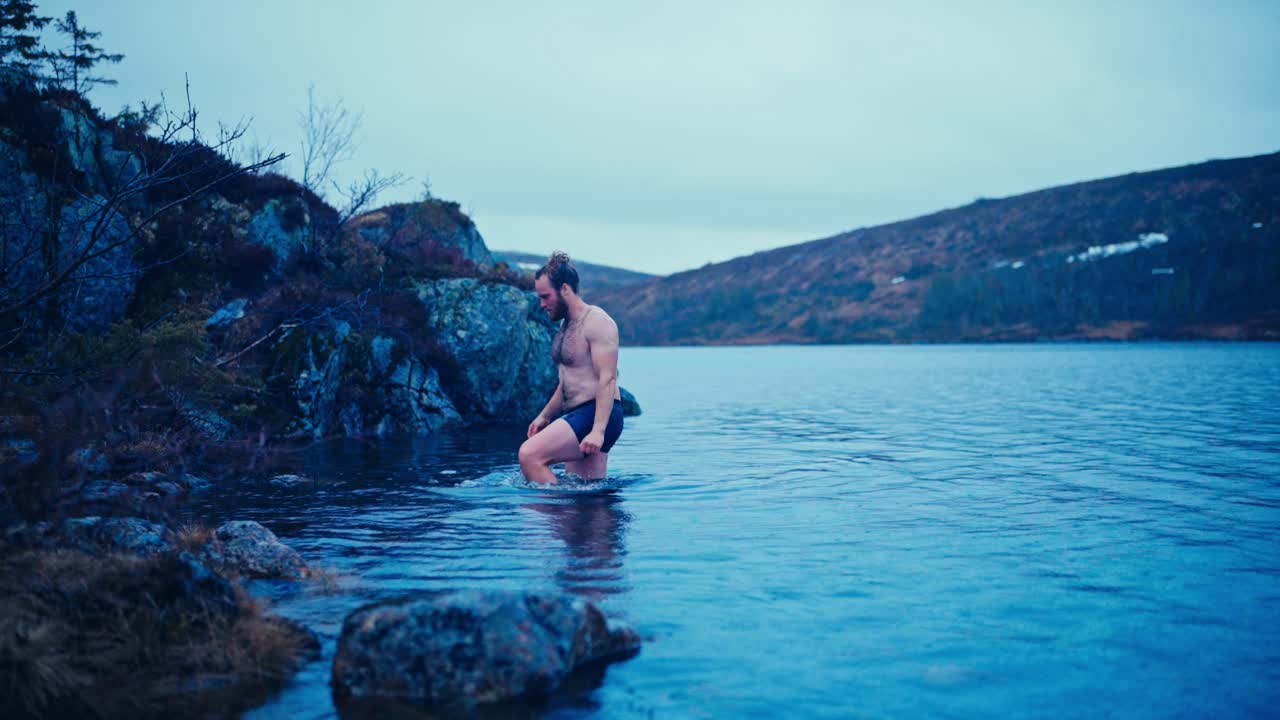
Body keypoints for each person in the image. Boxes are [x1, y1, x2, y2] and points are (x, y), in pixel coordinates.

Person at [519, 252, 624, 484]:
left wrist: (598, 430)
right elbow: (568, 381)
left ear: (564, 289)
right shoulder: (566, 327)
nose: (542, 304)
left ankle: (551, 515)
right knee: (584, 497)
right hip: (579, 414)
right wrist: (544, 415)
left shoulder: (597, 322)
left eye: (546, 297)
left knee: (529, 455)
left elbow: (608, 379)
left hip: (598, 414)